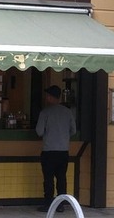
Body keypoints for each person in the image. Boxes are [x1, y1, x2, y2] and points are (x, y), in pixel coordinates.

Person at [35, 85, 76, 213]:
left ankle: (48, 205)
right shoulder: (68, 112)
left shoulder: (45, 112)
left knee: (48, 179)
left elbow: (39, 132)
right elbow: (73, 131)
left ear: (51, 97)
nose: (46, 97)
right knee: (61, 179)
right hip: (63, 151)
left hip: (49, 151)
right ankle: (61, 205)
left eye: (47, 95)